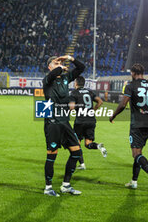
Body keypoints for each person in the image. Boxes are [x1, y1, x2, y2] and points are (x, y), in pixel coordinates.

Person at [109, 63, 148, 193]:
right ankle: (134, 181)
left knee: (136, 153)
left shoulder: (131, 85)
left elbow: (123, 104)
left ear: (133, 73)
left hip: (137, 123)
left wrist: (113, 115)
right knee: (139, 152)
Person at [43, 55, 85, 197]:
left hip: (65, 122)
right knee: (52, 155)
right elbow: (54, 73)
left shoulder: (66, 78)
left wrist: (70, 58)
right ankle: (48, 187)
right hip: (52, 123)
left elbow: (81, 68)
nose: (60, 64)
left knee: (76, 152)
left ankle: (66, 185)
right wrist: (60, 67)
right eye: (56, 63)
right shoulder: (47, 80)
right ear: (50, 67)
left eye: (60, 62)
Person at [69, 76, 106, 171]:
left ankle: (82, 164)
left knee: (76, 144)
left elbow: (72, 107)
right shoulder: (89, 92)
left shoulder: (74, 93)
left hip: (80, 122)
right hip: (91, 120)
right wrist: (93, 110)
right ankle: (98, 146)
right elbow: (100, 101)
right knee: (88, 144)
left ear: (76, 83)